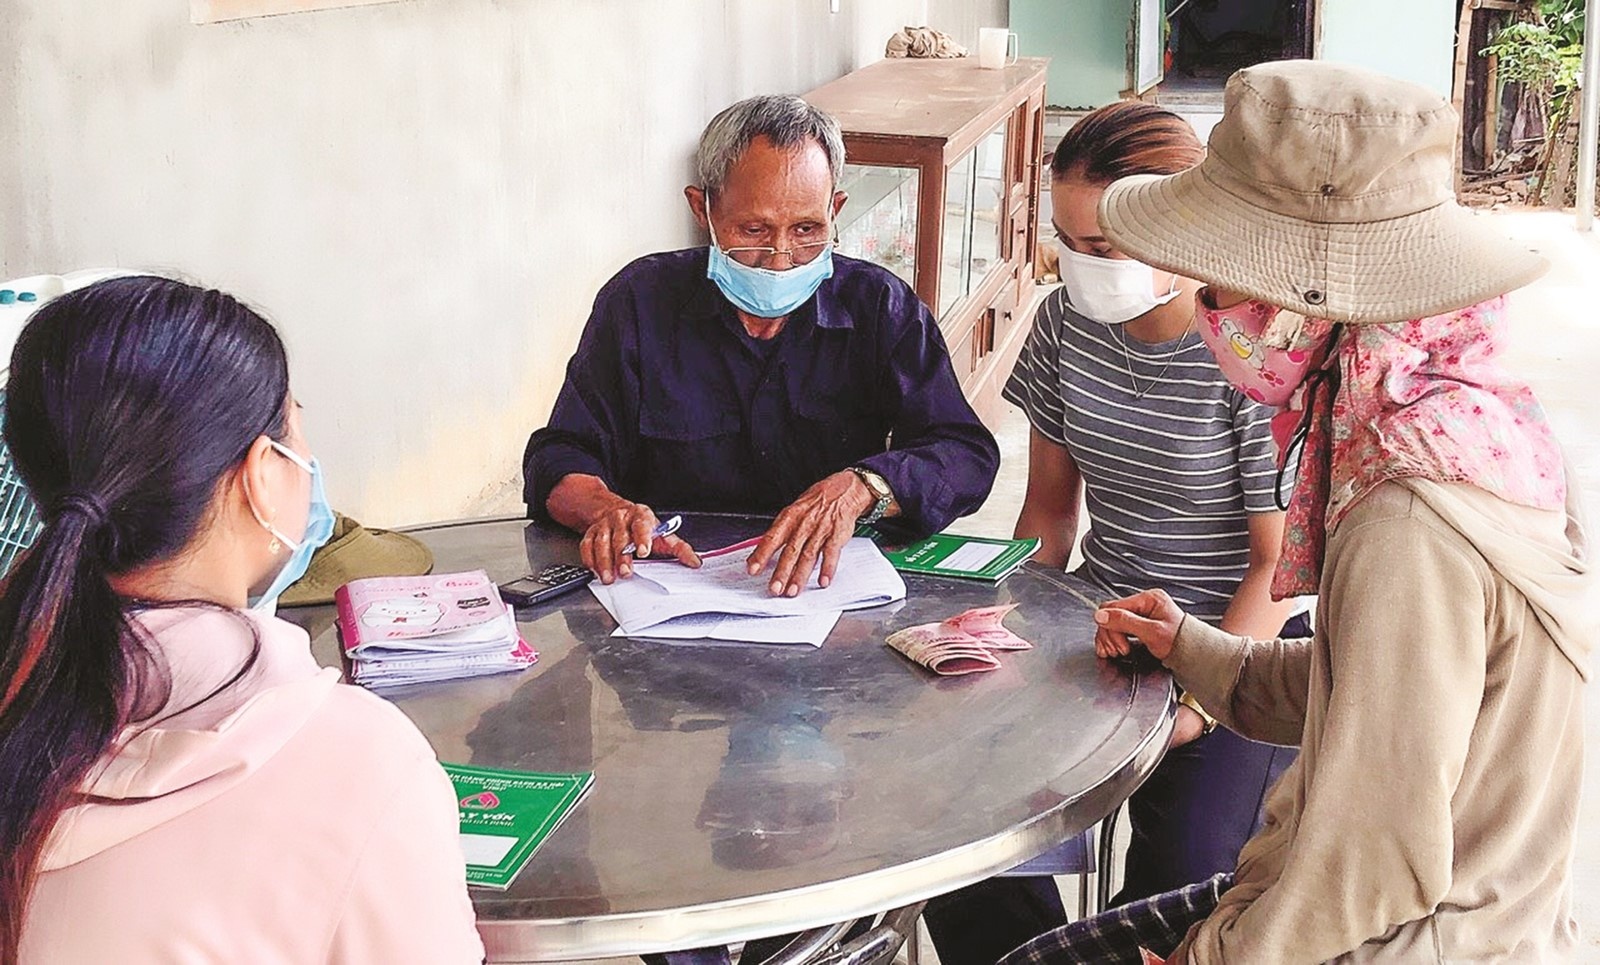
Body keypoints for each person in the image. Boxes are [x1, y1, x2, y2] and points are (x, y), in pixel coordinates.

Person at [1003, 60, 1593, 964]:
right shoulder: (1468, 419)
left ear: (1307, 302)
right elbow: (1368, 683)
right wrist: (1199, 653)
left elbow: (1377, 857)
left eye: (1222, 283)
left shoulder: (1409, 522)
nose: (1210, 312)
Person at [1, 276, 485, 963]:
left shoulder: (23, 705)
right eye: (295, 423)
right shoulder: (364, 768)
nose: (309, 461)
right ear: (262, 473)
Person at [922, 102, 1302, 965]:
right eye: (1067, 242)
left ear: (1185, 226)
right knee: (956, 824)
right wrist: (997, 625)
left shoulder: (1250, 351)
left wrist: (1203, 704)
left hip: (1238, 643)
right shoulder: (1062, 326)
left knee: (1182, 888)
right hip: (1106, 623)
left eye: (1106, 247)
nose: (1082, 269)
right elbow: (1050, 518)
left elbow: (1273, 568)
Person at [523, 94, 999, 595]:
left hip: (827, 593)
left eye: (808, 229)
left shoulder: (879, 307)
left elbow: (964, 454)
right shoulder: (640, 302)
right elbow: (560, 453)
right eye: (754, 230)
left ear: (836, 209)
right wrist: (607, 511)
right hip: (668, 587)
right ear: (702, 209)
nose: (781, 257)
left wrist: (867, 486)